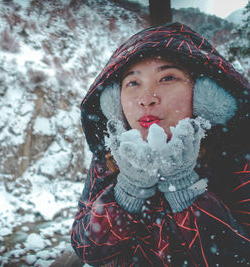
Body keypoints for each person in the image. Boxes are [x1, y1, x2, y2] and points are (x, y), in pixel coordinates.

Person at [70, 22, 250, 266]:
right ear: (114, 101)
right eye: (133, 83)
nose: (146, 99)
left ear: (204, 95)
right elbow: (87, 248)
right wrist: (127, 192)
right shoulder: (109, 159)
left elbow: (238, 258)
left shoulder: (237, 157)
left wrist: (185, 189)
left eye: (167, 78)